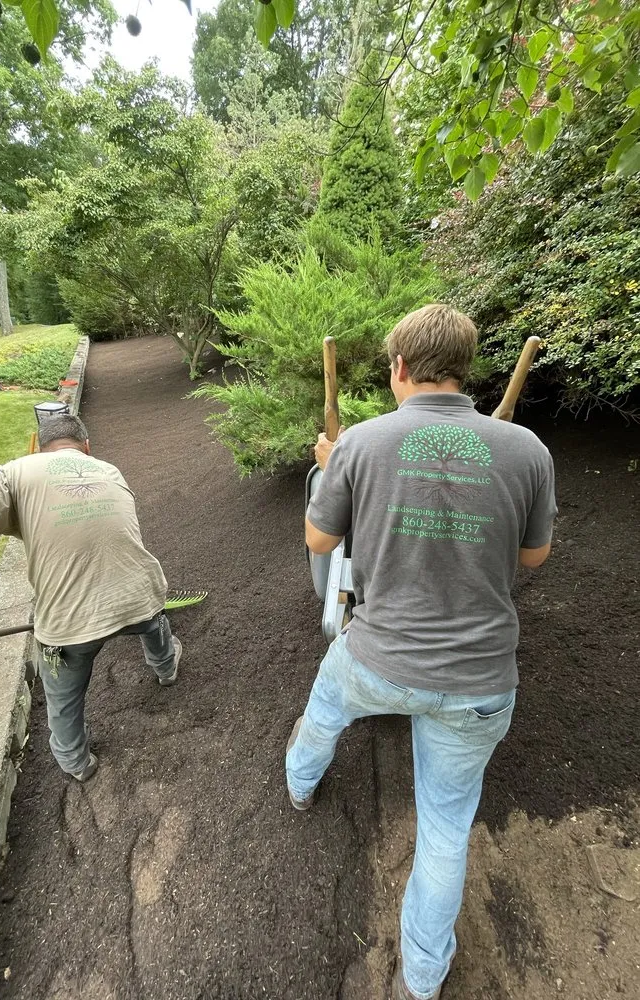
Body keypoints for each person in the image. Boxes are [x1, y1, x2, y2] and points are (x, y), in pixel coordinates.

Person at [286, 304, 556, 1000]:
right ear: (467, 369)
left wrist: (327, 469)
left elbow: (320, 545)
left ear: (399, 368)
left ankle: (299, 786)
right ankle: (424, 980)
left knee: (322, 712)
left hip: (377, 661)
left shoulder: (362, 444)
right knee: (444, 828)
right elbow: (535, 556)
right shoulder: (524, 449)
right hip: (479, 681)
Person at [0, 414, 181, 783]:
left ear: (40, 448)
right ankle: (166, 669)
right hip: (141, 593)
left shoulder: (13, 473)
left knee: (63, 697)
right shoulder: (108, 470)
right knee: (154, 624)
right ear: (86, 445)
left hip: (69, 624)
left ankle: (78, 763)